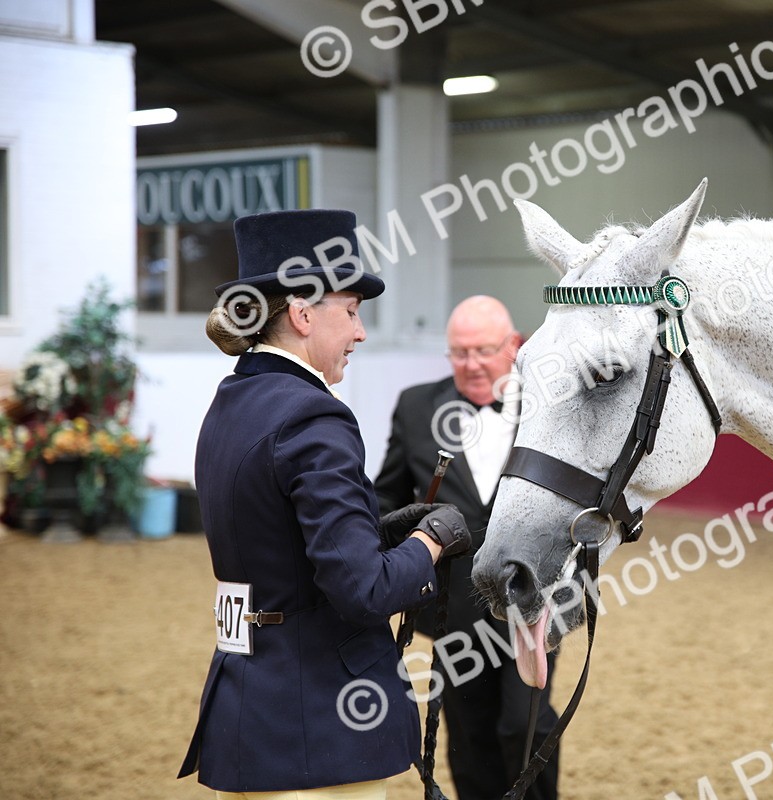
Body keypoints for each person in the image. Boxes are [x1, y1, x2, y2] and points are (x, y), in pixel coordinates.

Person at [178, 208, 471, 800]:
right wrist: (431, 541)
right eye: (352, 310)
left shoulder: (230, 403)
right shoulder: (315, 415)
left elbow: (288, 549)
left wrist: (380, 531)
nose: (360, 332)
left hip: (246, 712)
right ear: (303, 312)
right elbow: (363, 591)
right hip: (321, 728)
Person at [374, 295, 560, 800]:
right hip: (450, 606)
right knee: (467, 733)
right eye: (459, 352)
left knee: (523, 724)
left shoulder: (553, 404)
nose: (471, 363)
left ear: (514, 346)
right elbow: (387, 495)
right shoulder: (416, 407)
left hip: (534, 597)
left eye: (483, 350)